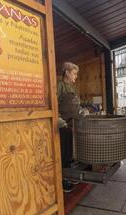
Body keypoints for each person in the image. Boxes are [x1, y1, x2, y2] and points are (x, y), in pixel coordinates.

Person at [57, 62, 80, 193]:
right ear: (67, 72)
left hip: (72, 125)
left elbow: (75, 105)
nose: (76, 76)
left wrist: (82, 111)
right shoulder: (60, 86)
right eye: (74, 73)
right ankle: (62, 179)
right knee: (63, 154)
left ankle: (69, 175)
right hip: (63, 125)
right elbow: (53, 103)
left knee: (70, 153)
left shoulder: (72, 87)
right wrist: (58, 119)